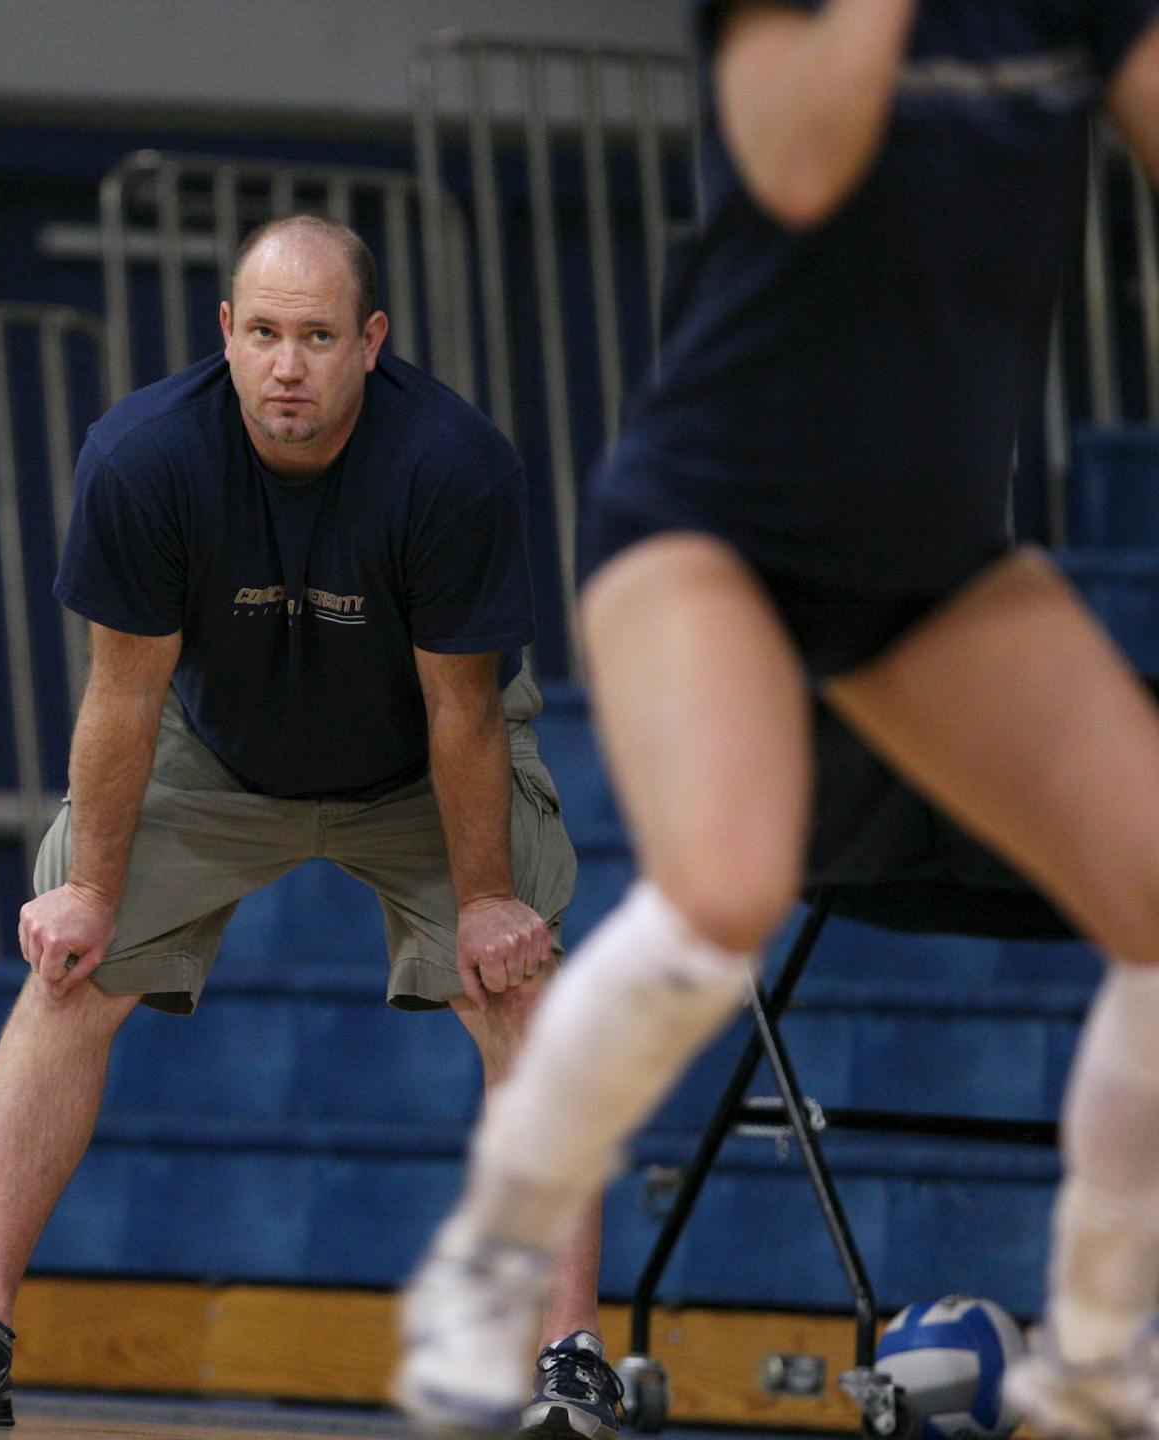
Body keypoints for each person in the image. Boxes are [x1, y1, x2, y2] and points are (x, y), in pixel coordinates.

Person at [396, 3, 1159, 1438]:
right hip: (707, 526)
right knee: (727, 892)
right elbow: (802, 161)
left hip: (925, 566)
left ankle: (1100, 1350)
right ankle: (490, 1256)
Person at [0, 215, 620, 1440]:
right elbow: (122, 697)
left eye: (320, 337)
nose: (289, 365)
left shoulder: (453, 465)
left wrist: (488, 898)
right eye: (266, 333)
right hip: (211, 754)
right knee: (68, 977)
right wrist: (92, 892)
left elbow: (464, 714)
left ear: (371, 344)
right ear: (226, 334)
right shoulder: (143, 458)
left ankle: (572, 1357)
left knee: (524, 991)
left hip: (417, 763)